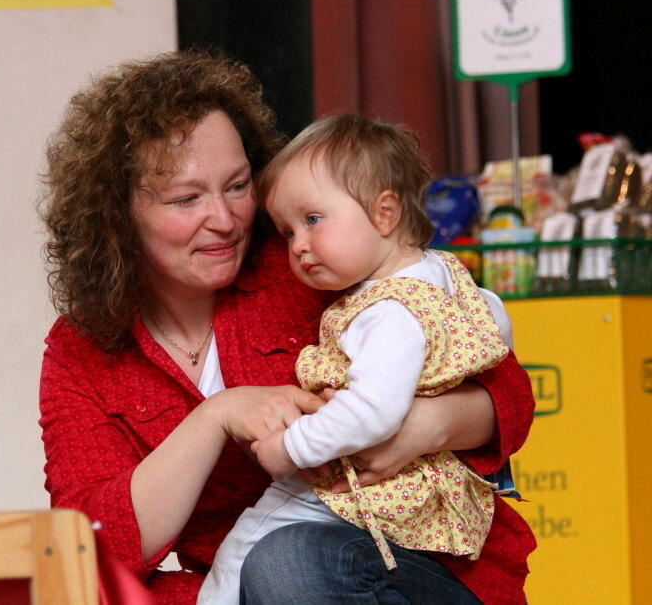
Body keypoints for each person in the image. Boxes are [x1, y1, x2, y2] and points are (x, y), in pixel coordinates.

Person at [38, 51, 535, 604]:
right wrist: (215, 418)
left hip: (421, 569)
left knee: (289, 561)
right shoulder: (81, 348)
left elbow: (507, 389)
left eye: (236, 186)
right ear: (115, 216)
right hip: (245, 583)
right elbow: (92, 547)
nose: (225, 220)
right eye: (186, 199)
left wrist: (423, 426)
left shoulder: (309, 263)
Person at [198, 114, 532, 604]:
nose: (299, 246)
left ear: (385, 213)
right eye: (287, 232)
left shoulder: (387, 311)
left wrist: (287, 449)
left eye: (312, 220)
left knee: (246, 551)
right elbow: (494, 328)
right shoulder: (444, 274)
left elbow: (373, 412)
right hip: (419, 496)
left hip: (357, 485)